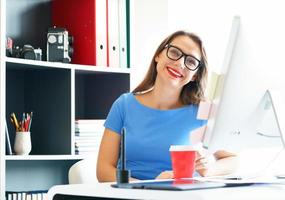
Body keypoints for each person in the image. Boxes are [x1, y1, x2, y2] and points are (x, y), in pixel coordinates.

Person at [96, 30, 238, 182]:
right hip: (130, 194)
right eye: (175, 52)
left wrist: (210, 168)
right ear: (158, 55)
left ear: (195, 75)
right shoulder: (123, 105)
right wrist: (147, 186)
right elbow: (103, 170)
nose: (180, 63)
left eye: (191, 62)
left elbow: (234, 160)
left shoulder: (203, 111)